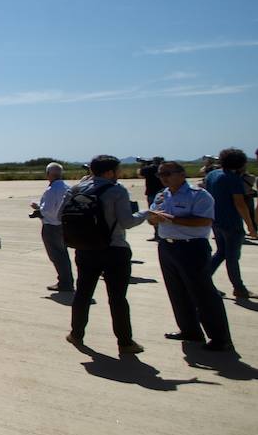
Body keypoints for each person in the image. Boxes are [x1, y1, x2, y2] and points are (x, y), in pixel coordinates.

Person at [66, 155, 147, 355]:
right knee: (117, 297)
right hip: (114, 249)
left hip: (85, 248)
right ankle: (125, 342)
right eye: (118, 170)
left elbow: (63, 214)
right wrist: (145, 214)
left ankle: (76, 334)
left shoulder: (76, 189)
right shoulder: (116, 190)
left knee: (83, 293)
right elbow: (127, 222)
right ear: (110, 172)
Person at [148, 162, 233, 350]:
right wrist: (153, 219)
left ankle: (220, 338)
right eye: (161, 174)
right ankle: (189, 330)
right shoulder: (162, 195)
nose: (164, 178)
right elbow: (152, 217)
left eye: (168, 173)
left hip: (191, 247)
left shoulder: (199, 195)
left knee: (203, 293)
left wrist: (172, 219)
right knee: (177, 292)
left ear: (182, 174)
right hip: (167, 246)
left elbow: (204, 220)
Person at [203, 148, 257, 300]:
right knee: (232, 257)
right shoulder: (233, 179)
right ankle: (239, 288)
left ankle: (204, 281)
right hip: (232, 223)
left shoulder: (212, 174)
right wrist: (251, 227)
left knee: (221, 253)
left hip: (216, 221)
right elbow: (240, 204)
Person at [31, 163, 74, 292]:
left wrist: (38, 208)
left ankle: (65, 282)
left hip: (52, 226)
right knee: (63, 254)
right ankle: (67, 280)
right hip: (64, 225)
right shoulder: (68, 187)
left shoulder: (51, 190)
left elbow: (49, 210)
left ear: (48, 174)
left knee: (56, 255)